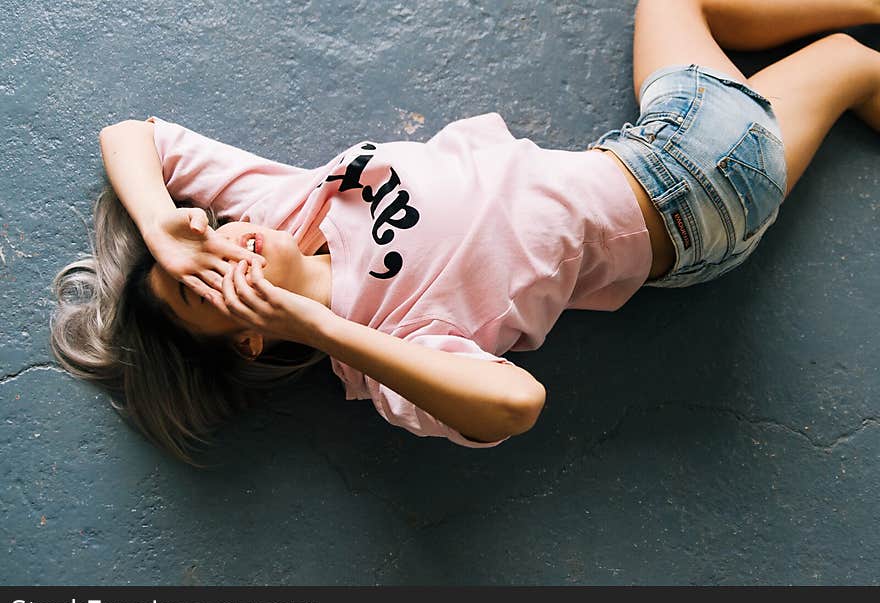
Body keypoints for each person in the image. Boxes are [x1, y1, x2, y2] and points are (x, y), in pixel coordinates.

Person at [51, 0, 880, 465]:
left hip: (648, 145)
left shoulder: (283, 208)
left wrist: (164, 231)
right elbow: (515, 405)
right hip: (695, 199)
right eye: (202, 285)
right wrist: (316, 324)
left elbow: (133, 133)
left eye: (208, 241)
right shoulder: (382, 350)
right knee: (848, 61)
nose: (225, 248)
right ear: (249, 343)